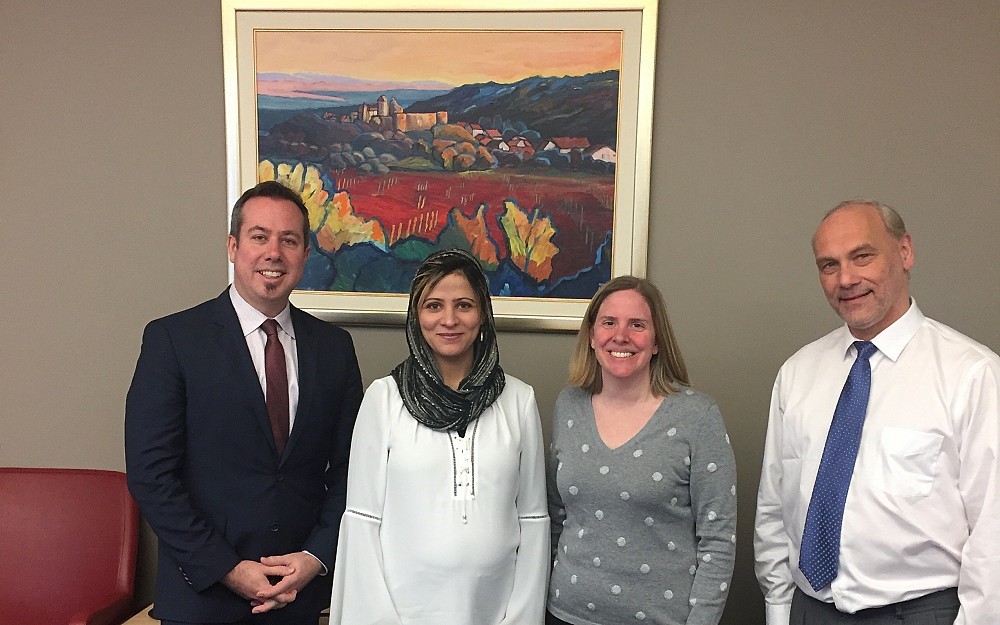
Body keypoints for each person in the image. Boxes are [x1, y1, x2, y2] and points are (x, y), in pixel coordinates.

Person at [125, 181, 363, 624]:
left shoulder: (334, 349)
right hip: (203, 598)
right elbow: (151, 476)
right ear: (233, 246)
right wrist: (228, 570)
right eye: (259, 237)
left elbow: (353, 470)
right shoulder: (174, 340)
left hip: (301, 598)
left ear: (305, 254)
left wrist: (315, 558)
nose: (274, 253)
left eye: (289, 240)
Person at [754, 200, 1000, 625]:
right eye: (829, 265)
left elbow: (994, 533)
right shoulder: (797, 373)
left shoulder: (972, 375)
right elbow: (774, 508)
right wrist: (780, 608)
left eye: (862, 256)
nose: (846, 279)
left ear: (905, 252)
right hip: (809, 610)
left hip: (922, 612)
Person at [328, 248, 549, 625]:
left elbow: (533, 519)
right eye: (433, 306)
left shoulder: (519, 401)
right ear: (417, 316)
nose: (449, 320)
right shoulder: (383, 399)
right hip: (401, 612)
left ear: (483, 315)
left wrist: (521, 617)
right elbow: (362, 522)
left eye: (464, 305)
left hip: (495, 611)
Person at [547, 276, 737, 625]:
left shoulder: (697, 417)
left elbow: (718, 540)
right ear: (591, 336)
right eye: (608, 323)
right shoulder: (568, 406)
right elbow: (556, 517)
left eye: (637, 325)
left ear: (656, 342)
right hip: (565, 614)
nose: (621, 336)